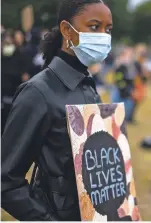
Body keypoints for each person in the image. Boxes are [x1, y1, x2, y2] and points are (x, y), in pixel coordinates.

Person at [1, 0, 113, 221]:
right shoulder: (37, 93)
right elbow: (6, 182)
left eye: (108, 29)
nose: (103, 36)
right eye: (94, 26)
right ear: (66, 30)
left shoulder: (87, 85)